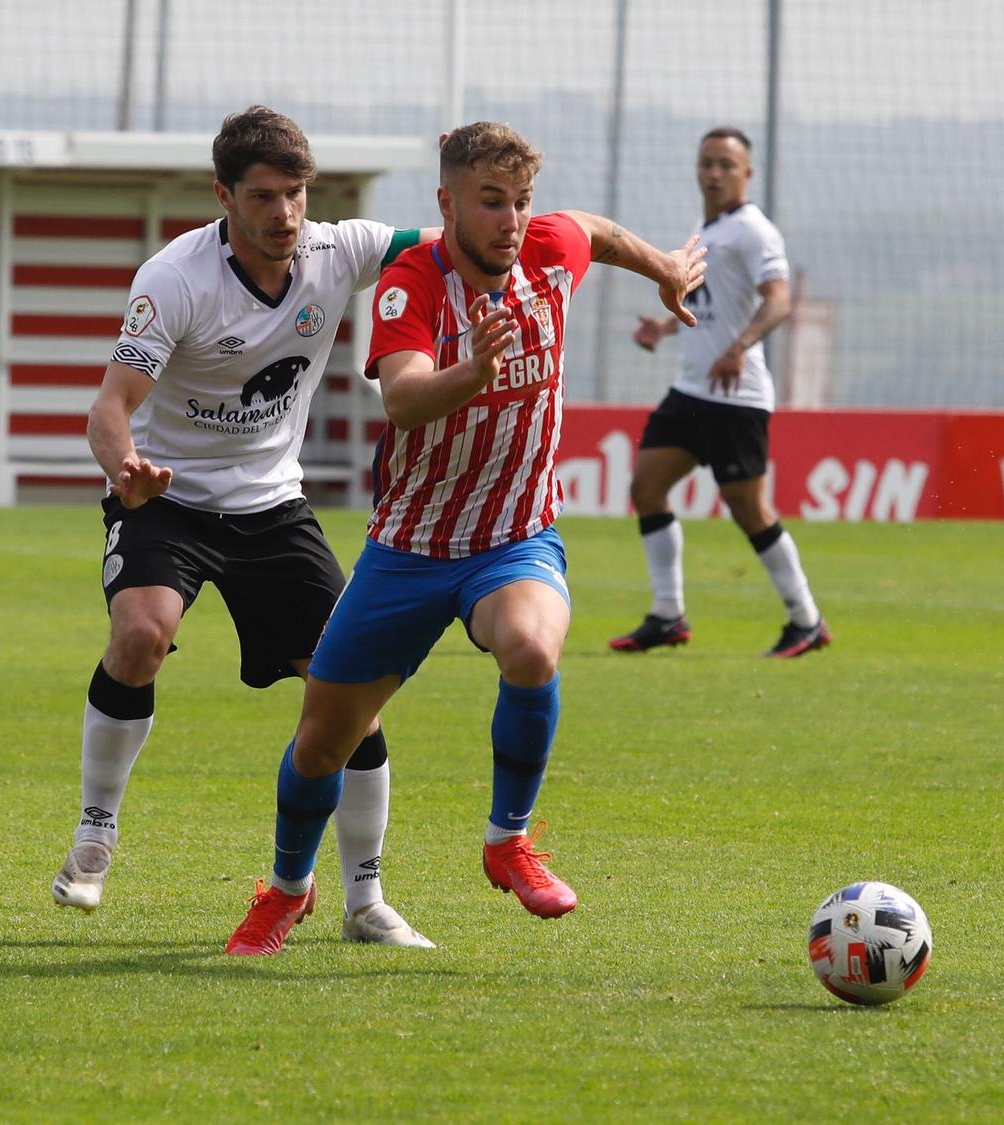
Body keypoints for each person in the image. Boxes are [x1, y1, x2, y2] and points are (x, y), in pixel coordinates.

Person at [223, 121, 706, 955]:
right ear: (447, 204)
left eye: (520, 202)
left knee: (531, 648)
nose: (511, 221)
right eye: (490, 203)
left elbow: (589, 228)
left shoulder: (548, 251)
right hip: (408, 549)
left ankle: (508, 838)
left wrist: (662, 265)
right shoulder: (413, 281)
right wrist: (473, 373)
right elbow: (404, 400)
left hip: (514, 537)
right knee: (321, 741)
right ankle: (289, 888)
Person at [63, 105, 435, 947]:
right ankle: (96, 832)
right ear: (223, 195)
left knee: (352, 696)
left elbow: (452, 242)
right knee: (142, 634)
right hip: (171, 498)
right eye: (264, 196)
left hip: (274, 507)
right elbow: (110, 409)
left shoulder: (337, 250)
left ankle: (365, 900)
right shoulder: (175, 277)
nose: (284, 215)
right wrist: (127, 471)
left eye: (297, 194)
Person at [610, 126, 827, 659]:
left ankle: (806, 620)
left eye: (726, 165)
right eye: (707, 162)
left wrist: (739, 347)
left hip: (736, 396)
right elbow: (708, 306)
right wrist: (663, 329)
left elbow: (778, 302)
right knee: (646, 487)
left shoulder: (754, 231)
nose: (714, 173)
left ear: (746, 173)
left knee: (749, 510)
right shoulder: (708, 230)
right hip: (692, 391)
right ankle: (667, 614)